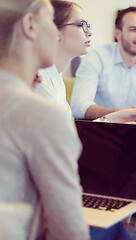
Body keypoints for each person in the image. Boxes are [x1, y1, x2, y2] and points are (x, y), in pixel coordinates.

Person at [34, 1, 135, 239]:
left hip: (61, 184)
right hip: (46, 197)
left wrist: (112, 118)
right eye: (81, 25)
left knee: (116, 220)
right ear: (54, 30)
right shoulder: (39, 83)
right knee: (113, 223)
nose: (89, 31)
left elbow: (70, 132)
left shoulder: (55, 80)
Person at [0, 0, 88, 239]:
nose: (56, 34)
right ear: (30, 25)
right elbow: (70, 231)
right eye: (50, 19)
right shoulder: (43, 115)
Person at [70, 6, 136, 140]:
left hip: (134, 125)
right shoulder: (96, 57)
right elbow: (78, 107)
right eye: (133, 29)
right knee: (80, 127)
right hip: (103, 125)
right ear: (118, 34)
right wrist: (121, 114)